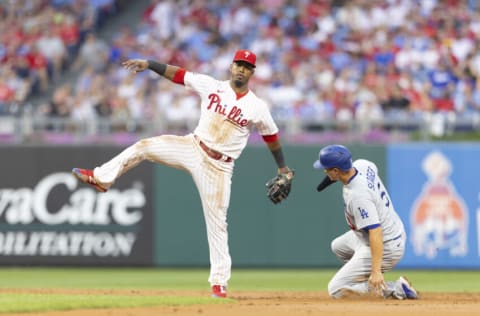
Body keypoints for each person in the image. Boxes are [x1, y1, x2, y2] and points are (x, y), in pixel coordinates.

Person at [72, 49, 294, 298]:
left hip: (219, 166)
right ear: (231, 67)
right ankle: (101, 178)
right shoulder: (212, 86)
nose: (242, 69)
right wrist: (149, 64)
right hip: (192, 146)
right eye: (239, 64)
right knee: (143, 146)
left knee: (217, 224)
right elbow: (179, 75)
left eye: (247, 66)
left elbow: (271, 137)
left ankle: (219, 283)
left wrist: (282, 167)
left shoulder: (257, 107)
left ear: (252, 71)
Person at [313, 144, 418, 300]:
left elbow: (376, 231)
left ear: (336, 171)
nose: (324, 171)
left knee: (335, 289)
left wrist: (376, 271)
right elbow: (366, 170)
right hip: (385, 232)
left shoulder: (358, 196)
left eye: (327, 168)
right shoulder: (362, 164)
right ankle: (363, 276)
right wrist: (327, 181)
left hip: (386, 244)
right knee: (338, 246)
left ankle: (395, 288)